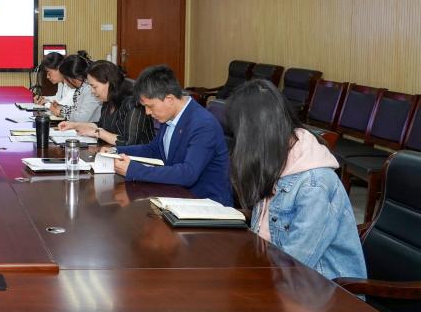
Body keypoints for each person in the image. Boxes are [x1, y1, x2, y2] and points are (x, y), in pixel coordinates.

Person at [227, 79, 365, 280]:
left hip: (320, 288)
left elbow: (296, 264)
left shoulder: (314, 184)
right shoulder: (274, 162)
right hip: (278, 274)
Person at [113, 65, 232, 205]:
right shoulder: (170, 116)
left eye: (150, 106)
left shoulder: (203, 124)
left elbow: (188, 174)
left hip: (207, 204)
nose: (147, 112)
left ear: (169, 99)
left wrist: (134, 170)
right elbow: (154, 150)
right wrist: (115, 151)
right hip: (177, 196)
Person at [60, 60, 154, 147]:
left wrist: (98, 133)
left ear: (109, 83)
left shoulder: (133, 103)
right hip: (114, 152)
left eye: (94, 87)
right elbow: (100, 125)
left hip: (139, 157)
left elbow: (129, 142)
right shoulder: (108, 100)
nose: (92, 91)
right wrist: (74, 125)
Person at [53, 52, 101, 123]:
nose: (65, 82)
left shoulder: (89, 89)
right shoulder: (81, 88)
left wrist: (61, 111)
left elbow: (82, 118)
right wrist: (61, 107)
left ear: (74, 78)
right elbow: (77, 110)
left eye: (65, 78)